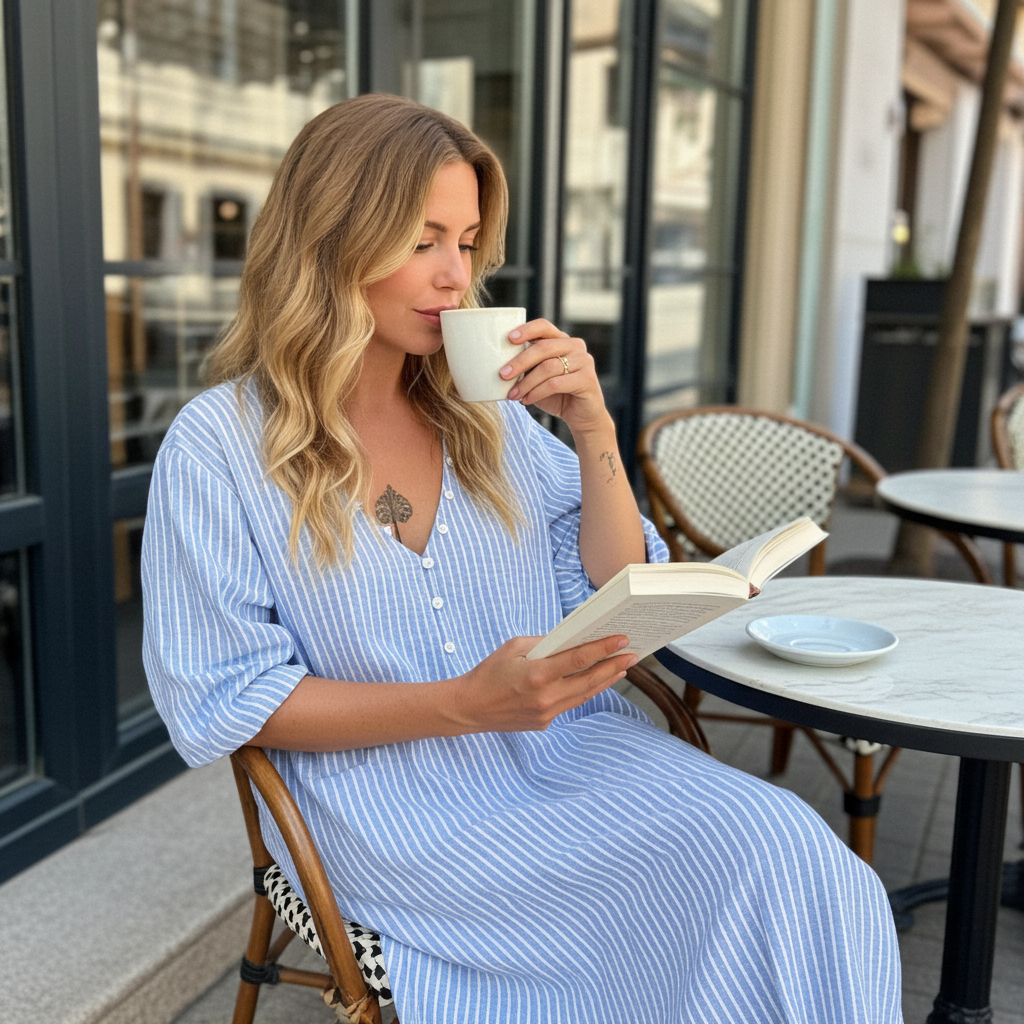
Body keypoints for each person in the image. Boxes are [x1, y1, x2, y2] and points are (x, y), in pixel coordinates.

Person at [142, 94, 903, 1024]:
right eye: (422, 239)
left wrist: (591, 432)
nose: (454, 278)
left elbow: (614, 585)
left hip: (568, 751)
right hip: (391, 809)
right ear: (332, 238)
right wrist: (461, 703)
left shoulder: (490, 416)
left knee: (804, 864)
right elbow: (223, 694)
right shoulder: (219, 446)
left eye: (466, 244)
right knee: (678, 912)